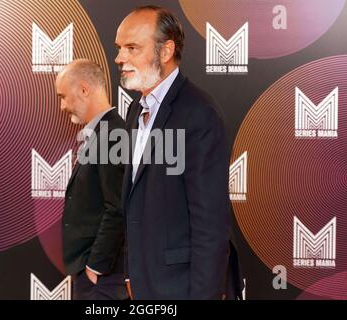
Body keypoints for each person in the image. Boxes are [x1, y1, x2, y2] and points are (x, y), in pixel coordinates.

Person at [115, 5, 244, 299]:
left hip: (183, 287)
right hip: (145, 283)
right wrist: (130, 274)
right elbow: (135, 203)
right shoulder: (136, 110)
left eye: (132, 48)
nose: (120, 58)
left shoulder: (199, 113)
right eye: (120, 48)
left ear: (166, 51)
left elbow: (210, 223)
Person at [56, 59, 128, 300]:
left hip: (104, 279)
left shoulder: (112, 134)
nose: (62, 106)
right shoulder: (102, 132)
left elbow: (117, 207)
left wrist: (95, 267)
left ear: (84, 90)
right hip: (97, 277)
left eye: (64, 96)